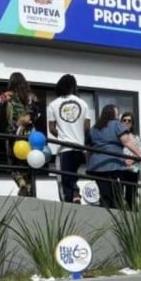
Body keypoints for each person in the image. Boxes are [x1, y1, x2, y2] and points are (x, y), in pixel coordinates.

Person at [0, 72, 41, 196]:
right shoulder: (31, 97)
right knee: (29, 163)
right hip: (30, 135)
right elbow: (37, 113)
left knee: (12, 164)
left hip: (13, 134)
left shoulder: (7, 96)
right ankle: (30, 188)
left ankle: (21, 183)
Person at [87, 104, 141, 209]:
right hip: (112, 163)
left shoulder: (94, 128)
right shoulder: (116, 124)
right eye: (117, 113)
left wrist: (89, 162)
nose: (118, 116)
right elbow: (127, 141)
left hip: (97, 165)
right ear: (113, 114)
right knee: (115, 194)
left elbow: (87, 147)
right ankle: (114, 217)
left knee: (105, 192)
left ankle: (104, 215)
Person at [46, 74, 91, 203]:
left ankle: (70, 202)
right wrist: (79, 136)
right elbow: (87, 127)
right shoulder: (83, 103)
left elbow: (51, 128)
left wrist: (61, 135)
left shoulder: (53, 105)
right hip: (80, 148)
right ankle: (76, 193)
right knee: (73, 175)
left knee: (64, 180)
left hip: (65, 149)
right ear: (74, 86)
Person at [120, 111, 141, 207]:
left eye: (129, 121)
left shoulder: (136, 138)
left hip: (133, 169)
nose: (126, 122)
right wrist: (124, 161)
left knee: (131, 195)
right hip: (120, 167)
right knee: (118, 194)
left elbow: (140, 152)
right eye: (124, 120)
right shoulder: (117, 137)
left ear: (132, 123)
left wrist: (132, 160)